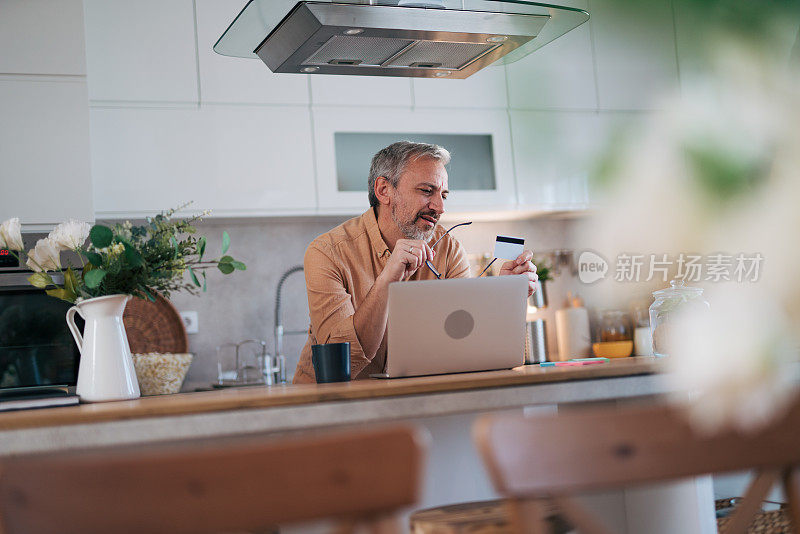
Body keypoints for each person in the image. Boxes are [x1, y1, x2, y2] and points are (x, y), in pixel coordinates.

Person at [293, 141, 537, 384]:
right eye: (426, 191)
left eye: (443, 195)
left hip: (412, 402)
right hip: (332, 408)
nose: (439, 207)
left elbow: (467, 348)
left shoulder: (448, 249)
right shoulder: (327, 252)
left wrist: (503, 297)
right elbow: (341, 363)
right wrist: (388, 280)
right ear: (383, 190)